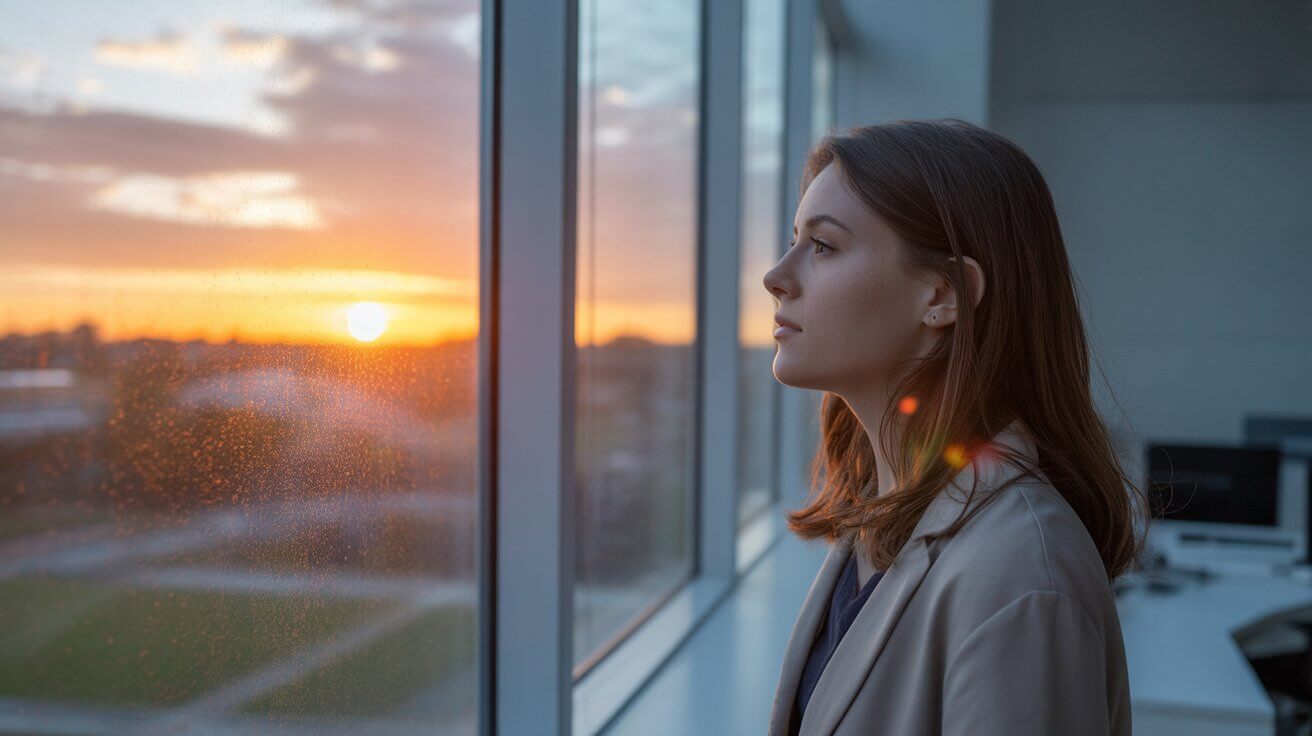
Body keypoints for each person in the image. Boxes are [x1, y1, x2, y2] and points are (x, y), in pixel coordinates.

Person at [761, 118, 1151, 736]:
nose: (776, 276)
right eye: (793, 241)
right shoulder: (883, 514)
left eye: (825, 246)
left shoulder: (1020, 573)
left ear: (942, 294)